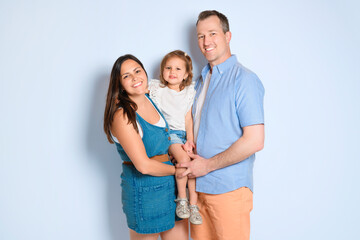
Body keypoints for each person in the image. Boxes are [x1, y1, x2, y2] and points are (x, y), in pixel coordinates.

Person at [177, 10, 265, 240]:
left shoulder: (244, 79)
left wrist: (207, 166)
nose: (206, 42)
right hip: (197, 191)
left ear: (228, 36)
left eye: (212, 33)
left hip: (229, 190)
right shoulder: (199, 82)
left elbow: (255, 140)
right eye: (200, 36)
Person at [103, 54, 188, 240]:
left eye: (137, 71)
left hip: (169, 189)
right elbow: (144, 165)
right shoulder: (122, 116)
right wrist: (179, 170)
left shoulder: (151, 99)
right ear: (119, 85)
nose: (134, 78)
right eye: (126, 76)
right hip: (144, 193)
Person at [148, 50, 202, 225]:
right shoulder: (158, 89)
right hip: (167, 134)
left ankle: (193, 205)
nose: (172, 72)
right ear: (162, 70)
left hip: (183, 136)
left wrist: (190, 141)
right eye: (168, 68)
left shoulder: (188, 92)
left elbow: (188, 119)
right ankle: (182, 199)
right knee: (184, 161)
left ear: (186, 74)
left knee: (193, 164)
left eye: (178, 69)